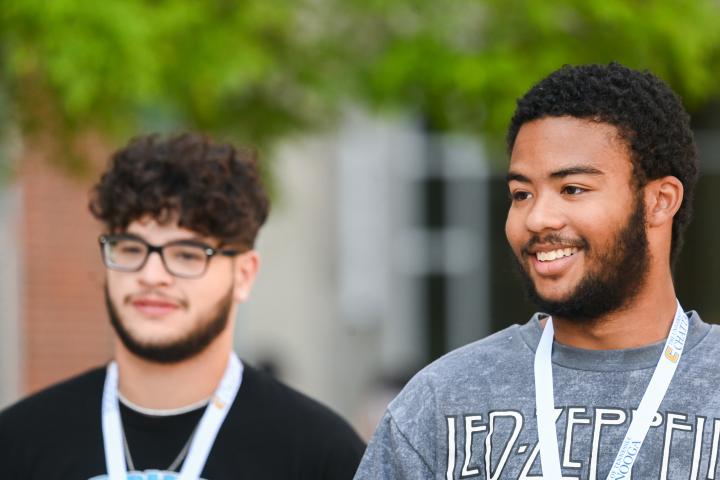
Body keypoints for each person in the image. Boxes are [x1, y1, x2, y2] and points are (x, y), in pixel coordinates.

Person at [354, 63, 717, 479]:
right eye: (521, 194)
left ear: (659, 201)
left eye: (572, 189)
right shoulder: (440, 402)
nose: (538, 218)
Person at [0, 133, 365, 479]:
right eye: (130, 249)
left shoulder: (321, 456)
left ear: (244, 274)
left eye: (187, 254)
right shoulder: (19, 442)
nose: (152, 274)